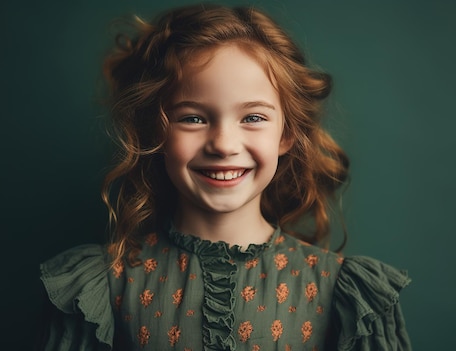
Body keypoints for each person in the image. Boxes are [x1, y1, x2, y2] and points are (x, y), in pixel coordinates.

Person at [38, 4, 411, 350]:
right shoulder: (104, 282)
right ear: (156, 132)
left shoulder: (339, 289)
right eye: (193, 118)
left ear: (286, 135)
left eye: (253, 117)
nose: (223, 144)